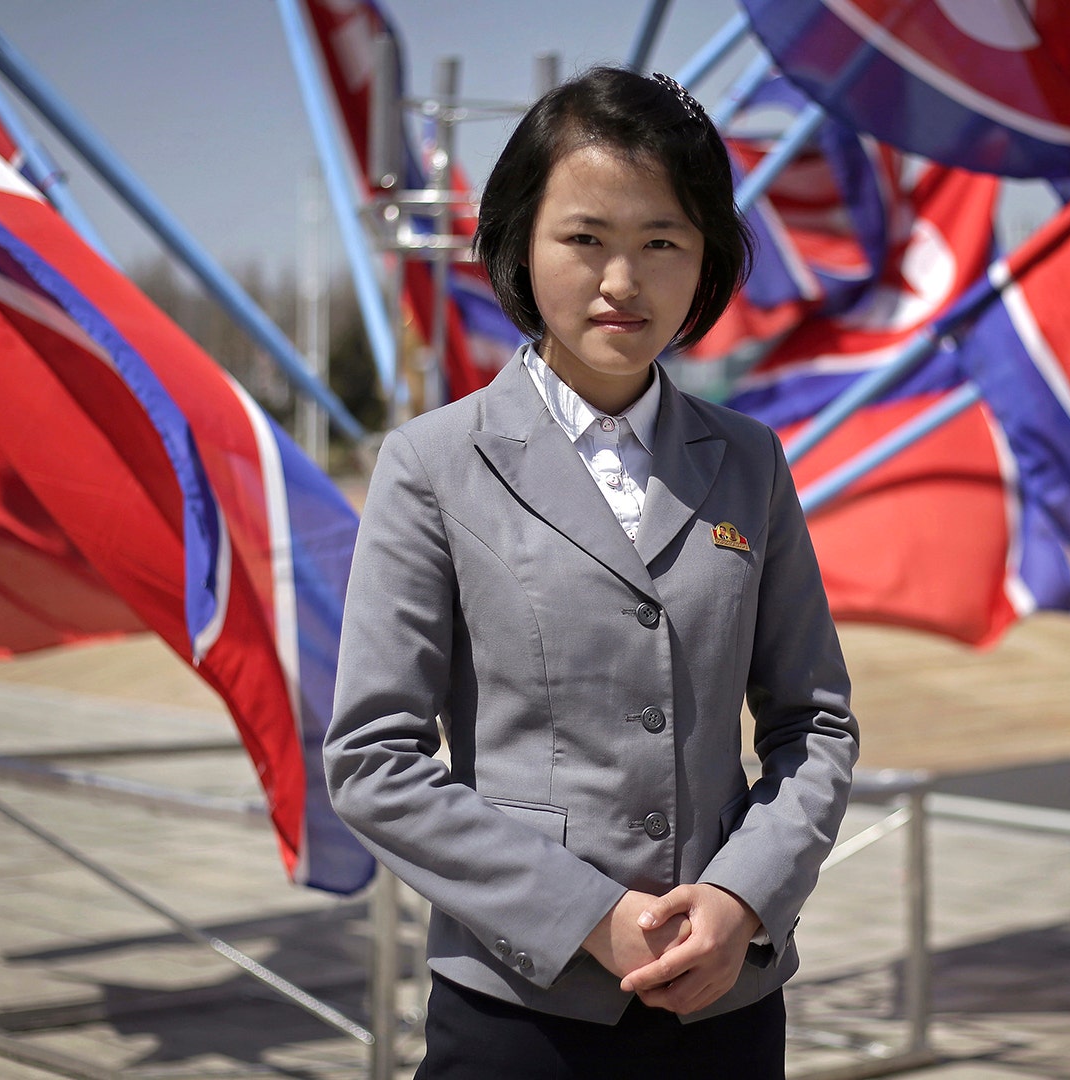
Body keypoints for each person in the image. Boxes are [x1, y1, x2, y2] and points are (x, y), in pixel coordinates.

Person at [325, 66, 859, 1079]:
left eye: (662, 241)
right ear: (521, 245)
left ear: (706, 262)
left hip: (726, 1004)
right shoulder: (433, 463)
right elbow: (373, 760)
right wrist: (587, 918)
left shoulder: (749, 460)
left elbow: (813, 724)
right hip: (521, 1010)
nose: (624, 281)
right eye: (585, 238)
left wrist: (744, 896)